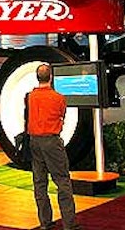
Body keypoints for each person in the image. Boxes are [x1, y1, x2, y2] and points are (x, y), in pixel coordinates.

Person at [27, 64, 80, 230]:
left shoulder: (30, 97)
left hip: (34, 141)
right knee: (62, 181)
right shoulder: (59, 98)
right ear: (51, 77)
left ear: (37, 77)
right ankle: (69, 224)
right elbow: (61, 115)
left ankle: (45, 222)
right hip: (52, 142)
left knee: (39, 182)